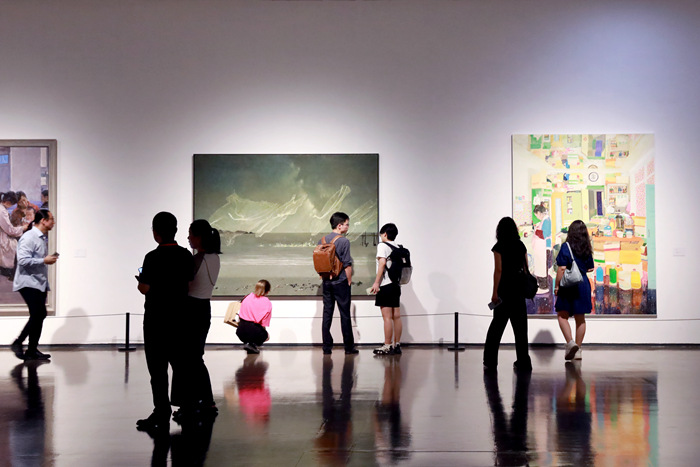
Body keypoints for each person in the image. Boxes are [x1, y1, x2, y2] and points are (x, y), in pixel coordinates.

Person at [136, 212, 195, 433]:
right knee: (181, 366)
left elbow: (145, 288)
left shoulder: (152, 257)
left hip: (156, 319)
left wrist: (142, 283)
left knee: (158, 370)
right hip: (180, 318)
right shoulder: (186, 255)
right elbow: (189, 284)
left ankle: (161, 411)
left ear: (155, 232)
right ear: (176, 230)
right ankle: (186, 407)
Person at [171, 219, 221, 423]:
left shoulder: (197, 259)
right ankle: (205, 401)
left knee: (186, 359)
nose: (188, 237)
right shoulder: (214, 257)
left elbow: (183, 285)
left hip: (190, 309)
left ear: (199, 237)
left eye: (191, 234)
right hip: (203, 308)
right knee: (195, 358)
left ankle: (191, 404)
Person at [483, 217, 532, 372]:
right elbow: (526, 268)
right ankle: (523, 361)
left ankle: (490, 361)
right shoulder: (520, 245)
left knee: (496, 328)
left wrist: (494, 292)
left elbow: (498, 270)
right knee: (521, 330)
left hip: (504, 291)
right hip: (518, 292)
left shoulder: (499, 247)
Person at [10, 210, 58, 361]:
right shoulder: (29, 237)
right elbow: (23, 260)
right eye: (51, 219)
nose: (53, 222)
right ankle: (18, 343)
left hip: (38, 282)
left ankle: (31, 350)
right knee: (38, 314)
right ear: (43, 220)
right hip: (28, 282)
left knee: (40, 314)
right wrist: (44, 260)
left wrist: (45, 261)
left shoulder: (40, 237)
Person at [554, 220, 595, 361]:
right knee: (580, 318)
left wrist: (557, 286)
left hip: (567, 285)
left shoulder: (566, 246)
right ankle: (578, 350)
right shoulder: (586, 247)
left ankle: (570, 343)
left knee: (562, 315)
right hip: (582, 284)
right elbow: (590, 268)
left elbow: (561, 268)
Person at [318, 212, 357, 355]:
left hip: (326, 282)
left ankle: (326, 347)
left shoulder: (322, 240)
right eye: (346, 224)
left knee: (327, 314)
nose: (348, 227)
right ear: (339, 225)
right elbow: (347, 264)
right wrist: (349, 280)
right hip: (340, 282)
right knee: (344, 314)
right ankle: (349, 347)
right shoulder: (344, 241)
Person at [370, 223, 403, 355]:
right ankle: (397, 344)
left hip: (386, 285)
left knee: (387, 317)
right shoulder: (397, 247)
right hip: (396, 285)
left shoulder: (383, 246)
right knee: (397, 316)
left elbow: (382, 263)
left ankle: (387, 345)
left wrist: (376, 283)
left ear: (384, 234)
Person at [236, 279, 272, 354]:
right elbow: (263, 324)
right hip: (254, 329)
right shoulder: (267, 302)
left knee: (249, 332)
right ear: (268, 291)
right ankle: (252, 344)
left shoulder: (247, 297)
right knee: (266, 336)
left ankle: (248, 343)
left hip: (240, 331)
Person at [0, 192, 28, 279]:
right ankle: (14, 273)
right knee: (18, 245)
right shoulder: (2, 211)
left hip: (6, 233)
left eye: (24, 200)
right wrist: (22, 228)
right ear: (9, 202)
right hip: (4, 235)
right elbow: (9, 229)